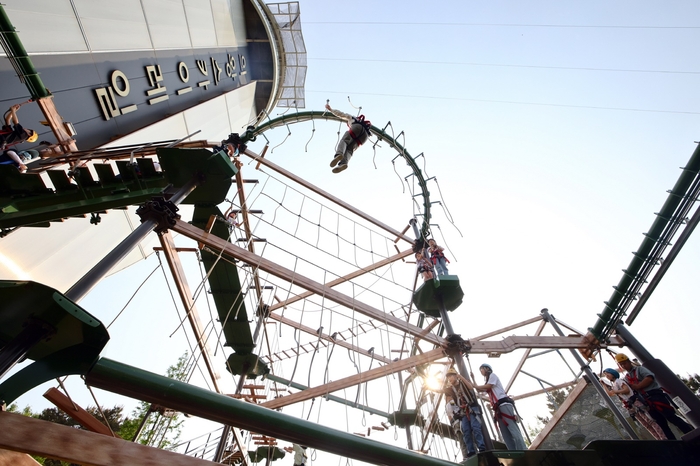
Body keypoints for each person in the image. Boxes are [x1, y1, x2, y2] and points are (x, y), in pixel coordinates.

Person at [616, 353, 693, 440]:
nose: (624, 366)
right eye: (621, 364)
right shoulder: (627, 377)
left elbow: (649, 378)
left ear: (629, 361)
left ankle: (692, 434)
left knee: (672, 417)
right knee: (661, 424)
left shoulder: (639, 369)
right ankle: (674, 444)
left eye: (625, 363)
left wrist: (638, 386)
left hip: (655, 396)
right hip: (646, 401)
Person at [467, 364, 527, 450]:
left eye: (482, 370)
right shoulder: (488, 381)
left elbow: (488, 386)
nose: (481, 372)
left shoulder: (493, 376)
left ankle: (522, 449)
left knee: (513, 429)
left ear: (487, 369)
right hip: (498, 408)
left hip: (504, 405)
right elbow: (479, 390)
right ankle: (513, 451)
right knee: (505, 433)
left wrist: (474, 385)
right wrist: (473, 380)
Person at [601, 367, 666, 440]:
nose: (607, 376)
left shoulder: (619, 381)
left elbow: (626, 390)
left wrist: (617, 392)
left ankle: (663, 437)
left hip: (634, 402)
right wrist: (603, 385)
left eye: (608, 374)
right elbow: (610, 394)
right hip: (630, 406)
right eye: (606, 375)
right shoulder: (614, 385)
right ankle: (658, 438)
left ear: (613, 374)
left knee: (649, 421)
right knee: (645, 424)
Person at [444, 367, 486, 459]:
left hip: (472, 409)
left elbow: (471, 387)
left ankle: (481, 448)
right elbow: (441, 390)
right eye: (448, 377)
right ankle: (471, 451)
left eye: (451, 376)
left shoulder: (463, 383)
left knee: (475, 428)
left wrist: (461, 377)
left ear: (455, 376)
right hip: (463, 412)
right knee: (466, 431)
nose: (449, 379)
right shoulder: (451, 389)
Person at [324, 102, 371, 174]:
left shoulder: (352, 118)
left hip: (357, 128)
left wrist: (331, 110)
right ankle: (343, 163)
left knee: (345, 141)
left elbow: (341, 114)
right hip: (365, 137)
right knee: (349, 149)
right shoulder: (365, 125)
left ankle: (339, 154)